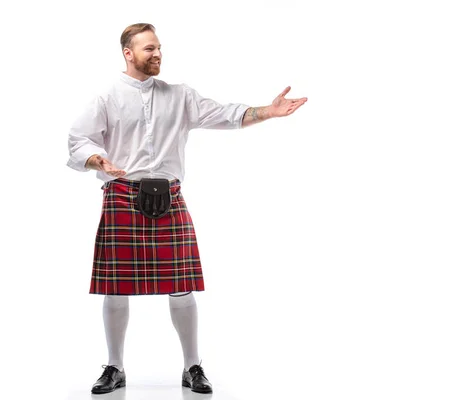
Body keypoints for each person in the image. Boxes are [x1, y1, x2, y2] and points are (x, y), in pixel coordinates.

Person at [66, 22, 307, 395]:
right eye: (149, 49)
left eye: (159, 47)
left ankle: (192, 366)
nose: (157, 53)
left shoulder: (179, 96)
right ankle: (115, 367)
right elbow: (78, 139)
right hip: (121, 196)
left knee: (182, 287)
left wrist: (268, 112)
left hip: (170, 197)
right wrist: (99, 160)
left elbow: (226, 114)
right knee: (115, 290)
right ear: (128, 53)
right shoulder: (107, 97)